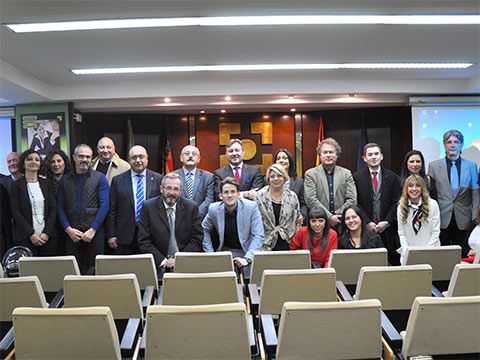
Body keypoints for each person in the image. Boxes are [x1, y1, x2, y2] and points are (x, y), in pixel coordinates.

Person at [58, 144, 109, 273]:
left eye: (88, 157)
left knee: (96, 272)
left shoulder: (100, 178)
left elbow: (104, 206)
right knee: (73, 272)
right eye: (81, 156)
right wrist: (68, 229)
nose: (84, 159)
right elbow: (60, 207)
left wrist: (92, 230)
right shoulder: (64, 180)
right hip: (72, 235)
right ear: (74, 158)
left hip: (94, 234)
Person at [428, 129, 479, 257]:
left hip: (464, 219)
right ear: (444, 145)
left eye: (456, 142)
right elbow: (430, 195)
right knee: (442, 256)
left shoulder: (472, 166)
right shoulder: (433, 166)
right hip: (441, 218)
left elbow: (475, 195)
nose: (452, 145)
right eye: (449, 142)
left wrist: (474, 219)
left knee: (462, 255)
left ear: (461, 144)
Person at [137, 172, 203, 270]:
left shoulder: (191, 207)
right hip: (158, 263)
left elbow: (197, 238)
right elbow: (144, 240)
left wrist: (178, 259)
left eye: (176, 189)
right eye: (168, 188)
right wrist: (163, 261)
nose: (172, 193)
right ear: (161, 189)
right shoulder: (148, 207)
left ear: (181, 191)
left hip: (185, 262)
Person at [106, 145, 163, 255]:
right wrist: (111, 234)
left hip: (152, 236)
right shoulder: (118, 181)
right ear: (129, 160)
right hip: (125, 236)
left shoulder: (158, 179)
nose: (138, 160)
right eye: (134, 157)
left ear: (147, 158)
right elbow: (112, 210)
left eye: (141, 157)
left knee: (149, 269)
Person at [353, 143, 402, 265]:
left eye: (376, 154)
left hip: (388, 229)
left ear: (382, 156)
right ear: (364, 158)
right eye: (370, 154)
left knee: (389, 263)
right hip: (366, 229)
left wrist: (387, 222)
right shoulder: (356, 177)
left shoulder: (393, 177)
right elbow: (356, 202)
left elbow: (397, 202)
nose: (373, 157)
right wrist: (367, 222)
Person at [202, 177, 264, 271]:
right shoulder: (213, 209)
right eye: (226, 192)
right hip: (224, 253)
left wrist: (248, 258)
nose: (229, 195)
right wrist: (210, 253)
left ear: (238, 194)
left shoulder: (251, 207)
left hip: (246, 251)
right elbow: (203, 229)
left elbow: (259, 236)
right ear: (220, 196)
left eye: (233, 192)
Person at [9, 150, 57, 255]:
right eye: (29, 159)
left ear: (40, 164)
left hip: (47, 237)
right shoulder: (16, 185)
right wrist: (31, 234)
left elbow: (53, 210)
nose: (33, 162)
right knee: (30, 270)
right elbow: (15, 212)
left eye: (37, 159)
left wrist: (46, 233)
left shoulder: (47, 183)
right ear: (23, 163)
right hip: (26, 238)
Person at [304, 137, 357, 229]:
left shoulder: (346, 173)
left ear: (337, 155)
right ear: (320, 155)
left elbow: (352, 199)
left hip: (342, 222)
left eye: (331, 152)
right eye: (325, 152)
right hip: (319, 223)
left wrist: (337, 215)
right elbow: (311, 199)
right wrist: (329, 216)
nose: (328, 155)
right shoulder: (310, 174)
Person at [256, 164, 301, 251]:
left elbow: (297, 220)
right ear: (268, 179)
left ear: (285, 178)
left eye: (279, 176)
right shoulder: (259, 196)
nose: (276, 179)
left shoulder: (292, 196)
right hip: (265, 243)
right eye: (272, 176)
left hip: (288, 242)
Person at [397, 174, 441, 264]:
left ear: (422, 188)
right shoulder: (401, 206)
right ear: (406, 189)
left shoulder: (433, 204)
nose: (414, 189)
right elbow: (401, 233)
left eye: (417, 186)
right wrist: (406, 251)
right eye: (410, 186)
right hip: (409, 253)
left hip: (431, 251)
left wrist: (426, 252)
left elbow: (435, 232)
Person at [173, 145, 214, 218]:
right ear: (181, 158)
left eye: (194, 154)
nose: (190, 156)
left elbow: (209, 200)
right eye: (187, 154)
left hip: (200, 220)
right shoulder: (172, 176)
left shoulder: (208, 177)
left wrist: (196, 215)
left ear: (199, 159)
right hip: (178, 218)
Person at [274, 148, 308, 220]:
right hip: (274, 221)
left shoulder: (299, 182)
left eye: (285, 158)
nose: (281, 160)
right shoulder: (268, 180)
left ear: (290, 162)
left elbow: (303, 204)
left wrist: (302, 215)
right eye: (278, 158)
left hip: (294, 220)